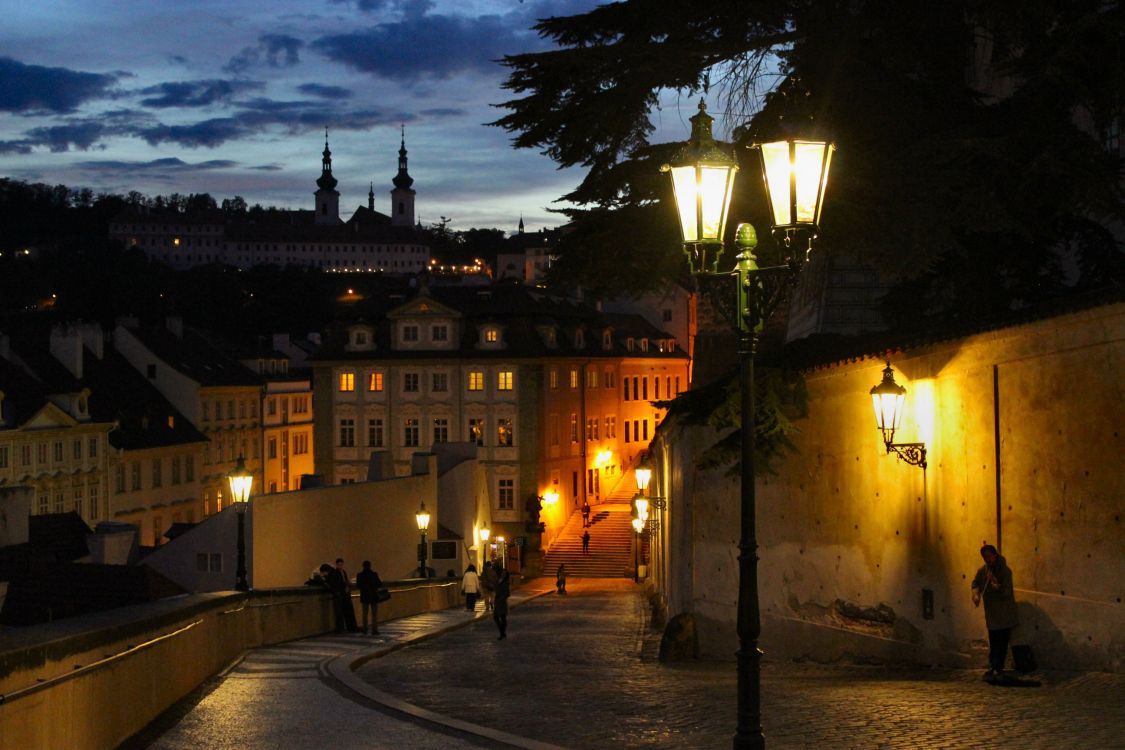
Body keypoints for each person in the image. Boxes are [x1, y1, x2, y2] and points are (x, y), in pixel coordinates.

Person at [972, 543, 1019, 680]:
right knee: (993, 640)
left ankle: (999, 667)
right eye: (984, 557)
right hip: (992, 613)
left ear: (995, 555)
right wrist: (975, 594)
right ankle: (993, 666)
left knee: (1002, 641)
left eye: (989, 557)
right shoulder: (983, 571)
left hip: (1004, 613)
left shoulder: (1004, 571)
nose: (987, 560)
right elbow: (975, 583)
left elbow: (1007, 592)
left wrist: (997, 586)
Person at [355, 560, 383, 635]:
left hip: (364, 596)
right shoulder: (374, 574)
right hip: (374, 596)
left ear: (363, 566)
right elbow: (379, 584)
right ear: (370, 566)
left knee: (365, 614)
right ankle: (374, 630)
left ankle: (365, 629)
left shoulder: (360, 575)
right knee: (374, 614)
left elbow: (358, 585)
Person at [335, 557, 360, 633]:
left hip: (345, 593)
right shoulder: (336, 573)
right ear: (337, 565)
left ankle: (350, 627)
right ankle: (348, 627)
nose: (340, 566)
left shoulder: (343, 572)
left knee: (347, 611)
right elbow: (339, 583)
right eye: (339, 565)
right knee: (343, 612)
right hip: (342, 594)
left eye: (341, 564)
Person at [493, 567, 511, 640]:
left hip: (502, 602)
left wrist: (501, 599)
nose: (502, 574)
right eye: (502, 573)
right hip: (497, 601)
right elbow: (496, 588)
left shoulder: (506, 582)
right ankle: (502, 633)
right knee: (496, 617)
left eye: (504, 573)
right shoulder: (499, 580)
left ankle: (502, 633)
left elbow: (507, 593)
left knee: (502, 618)